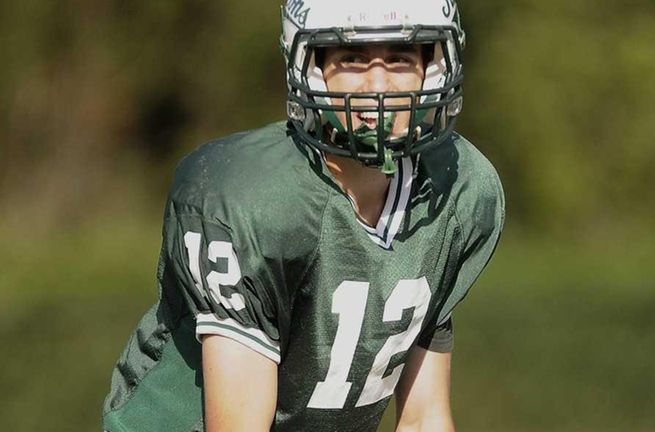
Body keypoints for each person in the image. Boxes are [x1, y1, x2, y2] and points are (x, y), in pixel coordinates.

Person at [102, 0, 504, 431]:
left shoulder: (458, 191)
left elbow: (425, 418)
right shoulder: (253, 197)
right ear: (311, 66)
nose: (378, 83)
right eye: (352, 58)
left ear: (435, 66)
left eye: (400, 57)